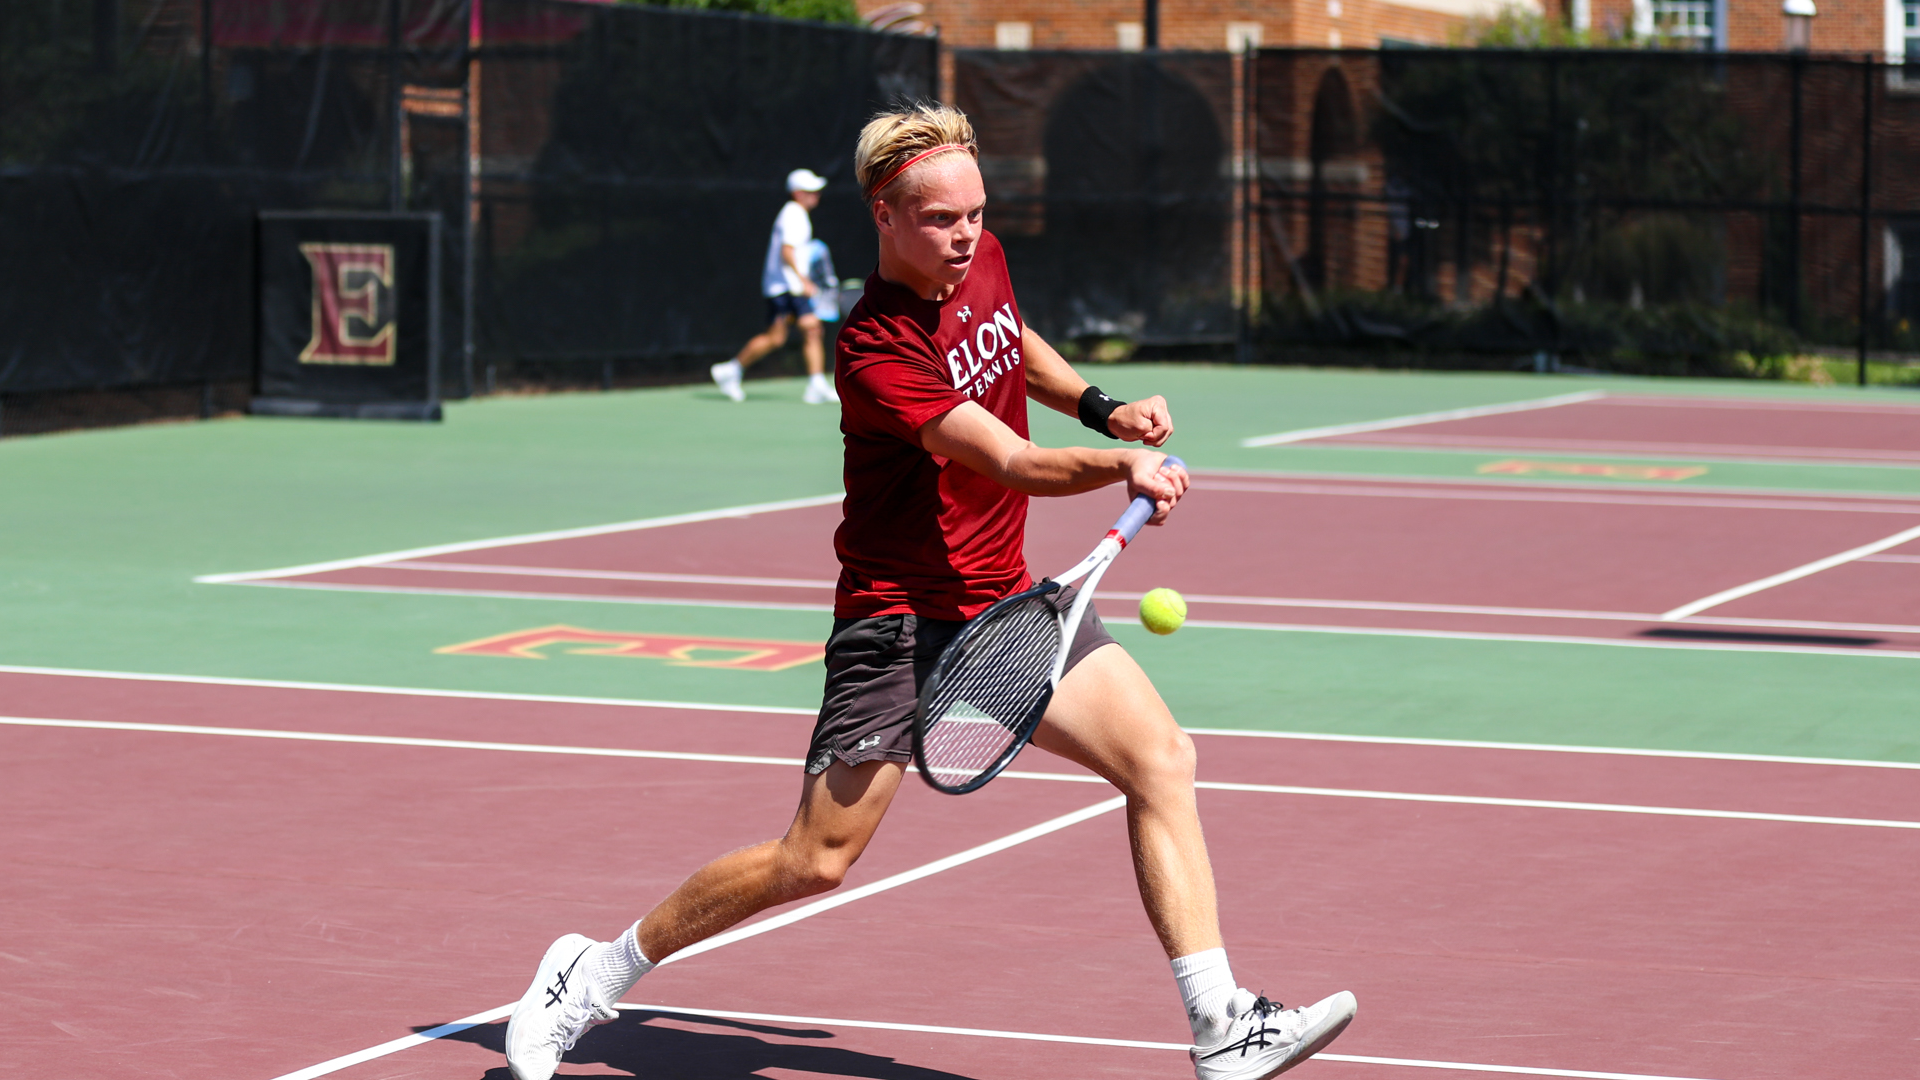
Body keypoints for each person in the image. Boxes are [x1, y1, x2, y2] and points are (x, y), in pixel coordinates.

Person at [508, 104, 1355, 1080]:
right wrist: (1119, 464)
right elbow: (1011, 460)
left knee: (1162, 760)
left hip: (1004, 603)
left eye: (976, 214)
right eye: (942, 220)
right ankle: (590, 974)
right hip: (899, 622)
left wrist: (1103, 406)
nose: (966, 236)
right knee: (816, 859)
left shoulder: (978, 257)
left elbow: (1009, 337)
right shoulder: (876, 351)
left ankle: (1221, 1023)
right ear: (884, 215)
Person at [710, 167, 841, 405]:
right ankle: (733, 370)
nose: (816, 194)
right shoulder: (794, 215)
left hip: (787, 287)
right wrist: (804, 280)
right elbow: (786, 251)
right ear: (798, 193)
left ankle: (814, 384)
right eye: (811, 190)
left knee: (793, 334)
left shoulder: (796, 214)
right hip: (786, 288)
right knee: (802, 331)